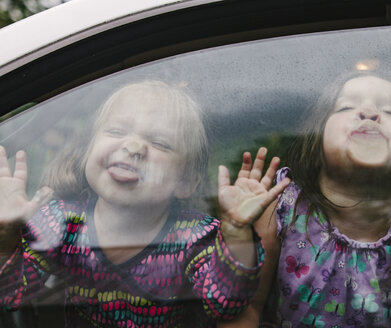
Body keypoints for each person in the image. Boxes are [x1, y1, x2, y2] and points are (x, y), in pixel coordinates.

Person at [0, 80, 290, 327]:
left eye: (160, 143)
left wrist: (236, 231)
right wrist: (6, 236)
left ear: (185, 181)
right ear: (89, 151)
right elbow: (10, 293)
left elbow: (227, 303)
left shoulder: (194, 236)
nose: (134, 147)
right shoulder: (60, 221)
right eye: (116, 131)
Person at [219, 72, 391, 328]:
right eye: (347, 106)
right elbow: (245, 306)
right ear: (318, 137)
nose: (369, 112)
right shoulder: (283, 208)